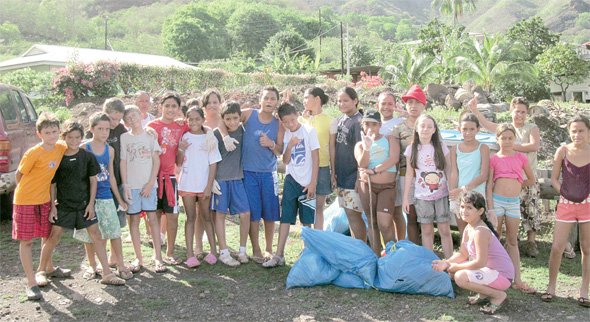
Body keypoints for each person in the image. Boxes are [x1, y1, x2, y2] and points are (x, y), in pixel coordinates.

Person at [36, 120, 125, 286]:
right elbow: (52, 184)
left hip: (84, 205)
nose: (74, 141)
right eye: (71, 137)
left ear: (82, 137)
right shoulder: (58, 157)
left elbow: (93, 182)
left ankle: (106, 273)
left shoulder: (87, 156)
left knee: (96, 235)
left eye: (78, 137)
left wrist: (91, 204)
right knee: (54, 236)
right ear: (64, 137)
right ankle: (41, 271)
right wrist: (53, 206)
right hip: (63, 205)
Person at [219, 86, 285, 264]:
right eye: (266, 98)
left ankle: (269, 249)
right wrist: (225, 136)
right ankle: (255, 249)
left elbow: (279, 150)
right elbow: (222, 117)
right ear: (260, 100)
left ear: (277, 102)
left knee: (270, 214)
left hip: (269, 173)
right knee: (254, 213)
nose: (269, 102)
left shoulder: (278, 123)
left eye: (273, 99)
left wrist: (270, 144)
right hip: (248, 172)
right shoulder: (248, 114)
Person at [470, 96, 541, 257]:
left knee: (530, 210)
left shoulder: (531, 127)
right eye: (517, 111)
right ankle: (502, 244)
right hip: (504, 180)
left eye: (523, 112)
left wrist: (509, 145)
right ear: (511, 111)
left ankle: (531, 242)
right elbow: (487, 125)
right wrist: (475, 110)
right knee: (503, 216)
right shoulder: (504, 128)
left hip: (526, 176)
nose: (520, 115)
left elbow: (534, 145)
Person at [12, 112, 68, 300]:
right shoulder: (33, 153)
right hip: (25, 201)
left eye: (54, 131)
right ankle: (31, 282)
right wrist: (29, 192)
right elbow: (19, 176)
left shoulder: (60, 147)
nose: (51, 135)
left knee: (47, 235)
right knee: (26, 241)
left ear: (59, 132)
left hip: (45, 200)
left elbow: (78, 143)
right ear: (39, 134)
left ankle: (48, 267)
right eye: (47, 132)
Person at [432, 191, 514, 315]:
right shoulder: (468, 228)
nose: (464, 211)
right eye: (462, 207)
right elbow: (462, 254)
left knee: (460, 276)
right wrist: (446, 263)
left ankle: (498, 295)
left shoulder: (480, 231)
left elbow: (480, 262)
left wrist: (456, 267)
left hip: (502, 276)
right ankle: (483, 293)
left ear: (480, 211)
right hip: (491, 272)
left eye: (469, 208)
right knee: (455, 273)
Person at [74, 112, 132, 281]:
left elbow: (111, 176)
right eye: (100, 129)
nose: (104, 132)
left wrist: (119, 199)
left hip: (106, 197)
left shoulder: (110, 150)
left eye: (107, 129)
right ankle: (93, 265)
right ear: (91, 129)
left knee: (114, 231)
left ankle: (120, 264)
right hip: (89, 199)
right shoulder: (84, 148)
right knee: (90, 235)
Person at [263, 103, 320, 267]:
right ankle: (279, 254)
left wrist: (313, 182)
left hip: (308, 182)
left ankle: (307, 253)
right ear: (281, 121)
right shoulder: (286, 134)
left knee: (307, 220)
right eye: (286, 122)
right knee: (286, 218)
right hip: (291, 180)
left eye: (293, 120)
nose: (290, 124)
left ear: (297, 115)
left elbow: (316, 158)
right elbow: (285, 160)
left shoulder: (309, 131)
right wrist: (289, 146)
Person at [542, 115, 590, 307]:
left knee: (587, 249)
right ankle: (551, 287)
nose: (577, 134)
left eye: (581, 131)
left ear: (588, 132)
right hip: (566, 205)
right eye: (573, 131)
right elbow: (554, 178)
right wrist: (565, 192)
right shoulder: (562, 151)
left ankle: (584, 290)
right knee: (556, 247)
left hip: (587, 205)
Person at [487, 123, 536, 294]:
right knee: (495, 238)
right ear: (497, 139)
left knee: (512, 240)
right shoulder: (494, 159)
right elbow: (489, 184)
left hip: (513, 202)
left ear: (515, 139)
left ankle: (517, 279)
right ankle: (494, 275)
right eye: (503, 138)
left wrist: (517, 184)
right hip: (497, 202)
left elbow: (531, 179)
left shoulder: (521, 157)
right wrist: (491, 207)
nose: (507, 141)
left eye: (510, 138)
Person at [120, 105, 167, 273]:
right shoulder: (124, 138)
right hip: (132, 186)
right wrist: (125, 185)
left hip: (149, 185)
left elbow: (157, 161)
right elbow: (123, 162)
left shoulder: (149, 136)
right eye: (129, 119)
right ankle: (138, 258)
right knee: (134, 221)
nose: (133, 120)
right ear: (125, 122)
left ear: (140, 116)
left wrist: (150, 183)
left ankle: (158, 257)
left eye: (134, 116)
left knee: (153, 219)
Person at [146, 92, 190, 265]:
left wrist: (183, 120)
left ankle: (170, 252)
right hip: (152, 177)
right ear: (160, 107)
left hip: (170, 177)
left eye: (174, 106)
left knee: (172, 216)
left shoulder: (181, 126)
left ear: (179, 109)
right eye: (167, 106)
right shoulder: (151, 126)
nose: (170, 109)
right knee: (154, 215)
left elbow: (199, 126)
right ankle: (157, 253)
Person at [403, 114, 453, 258]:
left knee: (444, 230)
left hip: (442, 194)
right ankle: (430, 263)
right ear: (417, 129)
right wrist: (406, 198)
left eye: (429, 126)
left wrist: (452, 189)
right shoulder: (412, 149)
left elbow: (448, 168)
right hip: (422, 197)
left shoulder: (441, 146)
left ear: (434, 130)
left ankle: (449, 264)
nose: (425, 129)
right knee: (426, 230)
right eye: (422, 126)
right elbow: (409, 174)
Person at [177, 107, 222, 266]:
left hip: (204, 185)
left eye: (197, 119)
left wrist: (208, 186)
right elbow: (178, 162)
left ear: (203, 120)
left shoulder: (209, 138)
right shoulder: (184, 136)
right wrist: (181, 149)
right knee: (190, 217)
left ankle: (213, 252)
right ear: (186, 121)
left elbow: (213, 163)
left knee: (206, 217)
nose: (194, 122)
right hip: (188, 183)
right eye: (191, 119)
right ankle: (190, 254)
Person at [354, 109, 399, 255]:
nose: (371, 128)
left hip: (387, 187)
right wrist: (367, 147)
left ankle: (393, 256)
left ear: (380, 125)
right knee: (372, 222)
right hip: (367, 186)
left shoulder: (390, 139)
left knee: (385, 223)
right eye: (367, 125)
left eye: (374, 125)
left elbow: (393, 159)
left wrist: (375, 170)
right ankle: (376, 257)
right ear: (363, 126)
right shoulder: (360, 145)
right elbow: (363, 164)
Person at [212, 101, 251, 266]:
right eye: (228, 119)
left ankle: (242, 250)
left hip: (237, 179)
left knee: (245, 214)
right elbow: (209, 158)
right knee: (220, 215)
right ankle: (224, 251)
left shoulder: (243, 131)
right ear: (223, 119)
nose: (232, 122)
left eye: (235, 118)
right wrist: (211, 179)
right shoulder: (216, 133)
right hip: (220, 180)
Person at [392, 84, 427, 244]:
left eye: (417, 102)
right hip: (406, 177)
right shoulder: (399, 128)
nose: (413, 106)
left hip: (428, 179)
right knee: (411, 216)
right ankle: (414, 251)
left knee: (426, 218)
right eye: (410, 102)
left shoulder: (429, 126)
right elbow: (396, 156)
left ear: (423, 105)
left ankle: (428, 253)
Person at [330, 87, 365, 242]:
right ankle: (356, 248)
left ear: (355, 101)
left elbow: (362, 152)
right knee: (349, 214)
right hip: (342, 176)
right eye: (339, 101)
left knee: (354, 214)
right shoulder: (341, 120)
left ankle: (362, 249)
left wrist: (359, 178)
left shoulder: (358, 122)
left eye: (345, 100)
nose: (342, 104)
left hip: (353, 176)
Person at [449, 112, 490, 241]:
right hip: (459, 195)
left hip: (476, 193)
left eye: (472, 129)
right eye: (465, 129)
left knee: (476, 230)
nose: (468, 132)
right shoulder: (455, 149)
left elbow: (484, 175)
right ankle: (464, 257)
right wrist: (452, 192)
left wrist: (464, 189)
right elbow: (454, 172)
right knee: (463, 231)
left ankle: (478, 257)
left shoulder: (483, 148)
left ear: (478, 129)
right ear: (459, 130)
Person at [300, 87, 332, 230]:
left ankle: (318, 240)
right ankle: (306, 245)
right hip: (305, 168)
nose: (304, 101)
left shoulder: (330, 121)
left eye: (307, 97)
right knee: (305, 206)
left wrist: (334, 172)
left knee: (318, 207)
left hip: (323, 167)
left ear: (317, 98)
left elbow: (332, 148)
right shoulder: (301, 120)